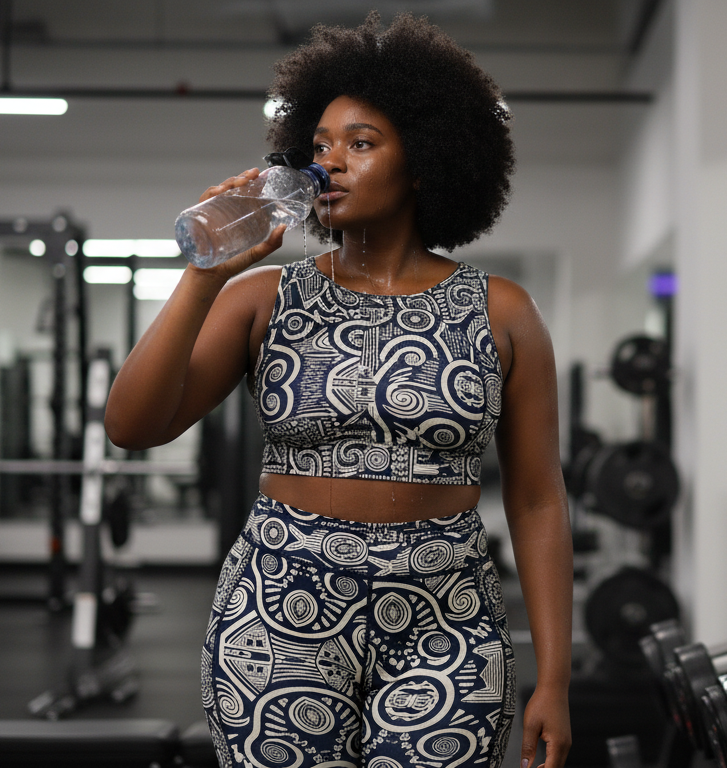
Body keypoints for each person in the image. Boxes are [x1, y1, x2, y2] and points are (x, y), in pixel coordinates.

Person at [106, 13, 571, 768]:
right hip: (278, 615)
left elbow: (538, 499)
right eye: (319, 146)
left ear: (423, 161)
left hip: (446, 618)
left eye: (360, 143)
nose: (331, 163)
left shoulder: (502, 309)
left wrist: (556, 677)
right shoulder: (262, 298)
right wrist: (202, 279)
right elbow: (131, 425)